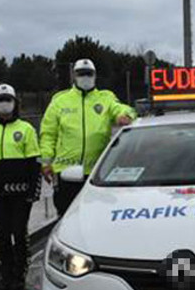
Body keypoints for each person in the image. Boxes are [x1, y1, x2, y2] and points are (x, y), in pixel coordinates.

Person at [39, 58, 135, 216]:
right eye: (81, 74)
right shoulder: (60, 101)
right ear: (74, 76)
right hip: (66, 171)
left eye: (88, 74)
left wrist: (125, 115)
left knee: (96, 215)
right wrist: (45, 163)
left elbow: (124, 109)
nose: (85, 77)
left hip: (97, 172)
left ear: (95, 75)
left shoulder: (105, 98)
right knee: (66, 216)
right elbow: (47, 134)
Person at [0, 84, 41, 290]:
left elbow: (34, 163)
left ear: (15, 102)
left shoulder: (26, 129)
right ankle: (6, 275)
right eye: (1, 99)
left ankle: (19, 275)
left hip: (20, 194)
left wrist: (33, 191)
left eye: (8, 99)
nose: (4, 103)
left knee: (19, 234)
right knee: (2, 236)